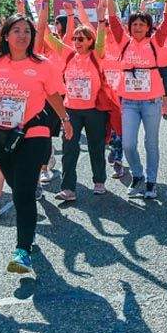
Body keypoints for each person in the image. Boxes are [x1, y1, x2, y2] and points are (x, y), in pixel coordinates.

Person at [0, 14, 72, 275]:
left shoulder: (42, 64)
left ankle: (22, 250)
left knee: (23, 193)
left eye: (27, 31)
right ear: (5, 35)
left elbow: (53, 95)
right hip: (0, 136)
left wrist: (65, 119)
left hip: (33, 133)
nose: (22, 35)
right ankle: (29, 231)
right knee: (20, 190)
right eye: (16, 30)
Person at [108, 0, 167, 198]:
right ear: (129, 27)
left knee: (151, 143)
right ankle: (137, 175)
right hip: (128, 102)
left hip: (151, 102)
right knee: (128, 144)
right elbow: (112, 21)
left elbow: (166, 24)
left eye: (142, 24)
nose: (137, 27)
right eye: (134, 24)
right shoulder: (123, 42)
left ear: (148, 27)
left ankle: (151, 181)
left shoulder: (155, 42)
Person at [58, 25, 111, 201]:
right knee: (69, 148)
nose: (76, 42)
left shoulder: (96, 55)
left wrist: (101, 15)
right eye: (74, 39)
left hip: (94, 110)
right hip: (71, 110)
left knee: (96, 146)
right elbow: (47, 38)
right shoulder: (69, 55)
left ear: (90, 41)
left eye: (81, 39)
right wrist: (42, 6)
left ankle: (99, 181)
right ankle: (68, 188)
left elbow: (102, 39)